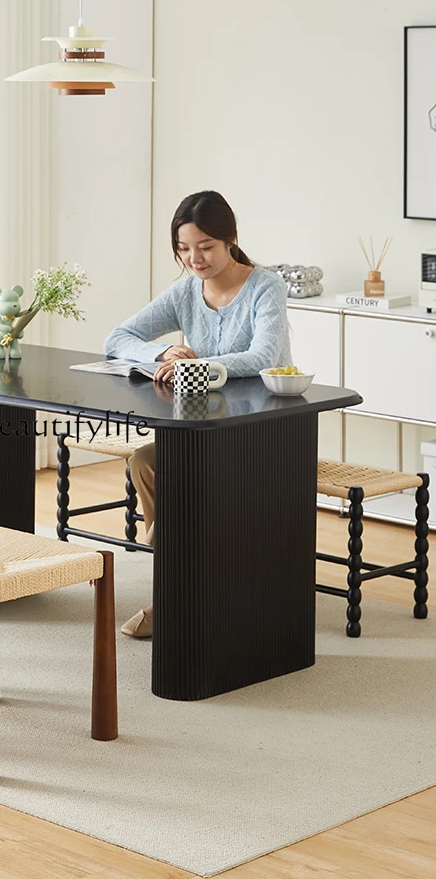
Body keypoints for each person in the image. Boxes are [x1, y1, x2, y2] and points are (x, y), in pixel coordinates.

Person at [103, 190, 292, 639]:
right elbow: (118, 337)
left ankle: (170, 593)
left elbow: (263, 354)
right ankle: (182, 582)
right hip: (202, 429)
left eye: (205, 247)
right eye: (184, 250)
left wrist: (196, 367)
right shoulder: (187, 290)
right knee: (146, 461)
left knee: (188, 475)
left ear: (230, 240)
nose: (195, 259)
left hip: (263, 430)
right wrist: (163, 350)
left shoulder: (266, 287)